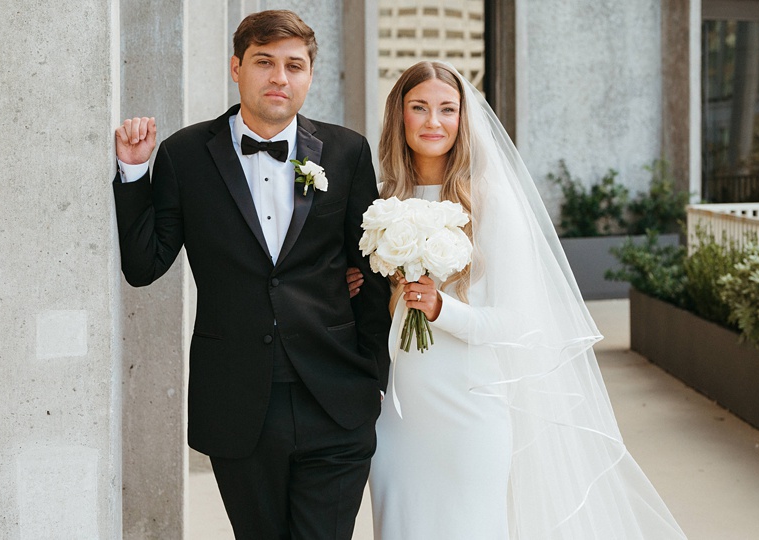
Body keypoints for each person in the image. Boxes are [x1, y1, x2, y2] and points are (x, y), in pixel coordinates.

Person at [349, 61, 687, 539]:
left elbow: (519, 323)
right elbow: (374, 311)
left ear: (463, 120)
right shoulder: (382, 203)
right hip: (398, 414)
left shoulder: (489, 201)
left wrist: (443, 309)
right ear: (399, 116)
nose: (432, 122)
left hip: (468, 408)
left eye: (447, 109)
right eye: (419, 108)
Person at [112, 10, 391, 539]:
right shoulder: (184, 155)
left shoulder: (348, 152)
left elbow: (370, 271)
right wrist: (133, 173)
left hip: (335, 398)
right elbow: (144, 266)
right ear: (237, 68)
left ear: (310, 74)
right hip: (238, 403)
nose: (279, 78)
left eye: (294, 65)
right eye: (264, 62)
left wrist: (372, 375)